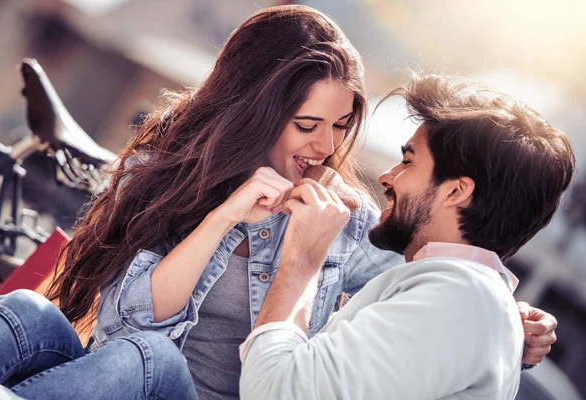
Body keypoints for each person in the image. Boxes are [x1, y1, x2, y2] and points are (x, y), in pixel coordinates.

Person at [0, 5, 556, 399]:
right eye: (308, 124)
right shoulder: (163, 176)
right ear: (255, 113)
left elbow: (435, 275)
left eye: (340, 126)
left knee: (151, 359)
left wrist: (515, 320)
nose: (326, 146)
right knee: (31, 313)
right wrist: (223, 217)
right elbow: (127, 321)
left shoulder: (344, 219)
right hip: (121, 377)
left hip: (163, 377)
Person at [239, 74, 575, 399]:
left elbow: (276, 391)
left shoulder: (459, 298)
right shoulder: (462, 296)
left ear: (456, 191)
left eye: (407, 162)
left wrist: (304, 259)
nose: (387, 176)